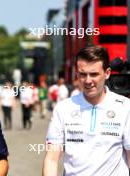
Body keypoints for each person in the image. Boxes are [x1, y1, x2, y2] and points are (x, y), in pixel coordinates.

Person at [42, 45, 130, 176]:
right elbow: (51, 159)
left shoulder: (125, 107)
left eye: (94, 74)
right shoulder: (63, 108)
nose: (88, 81)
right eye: (83, 74)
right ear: (77, 74)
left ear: (107, 73)